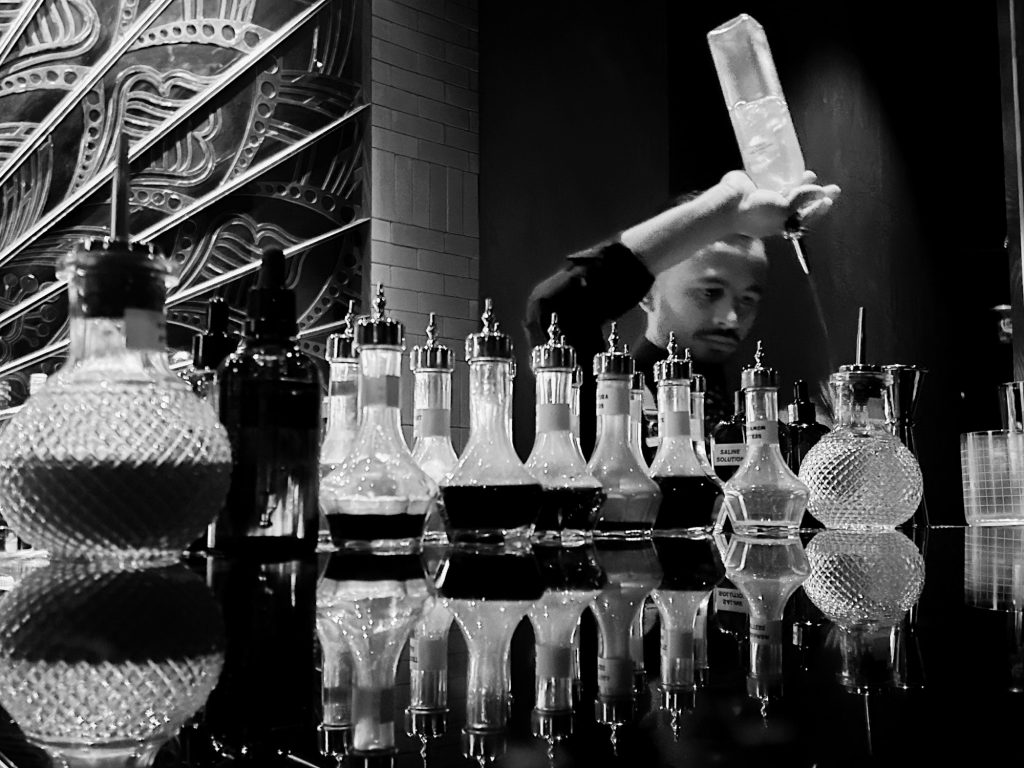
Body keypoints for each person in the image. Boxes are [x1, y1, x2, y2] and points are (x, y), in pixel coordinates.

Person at [524, 169, 841, 456]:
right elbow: (557, 306)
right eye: (710, 292)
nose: (731, 319)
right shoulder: (613, 400)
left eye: (747, 300)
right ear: (647, 293)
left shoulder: (749, 411)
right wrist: (723, 210)